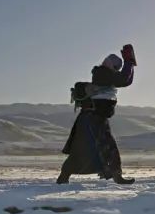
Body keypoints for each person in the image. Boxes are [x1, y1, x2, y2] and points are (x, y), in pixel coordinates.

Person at [56, 44, 137, 185]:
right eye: (114, 65)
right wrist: (129, 62)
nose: (115, 68)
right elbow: (125, 79)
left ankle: (116, 176)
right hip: (91, 119)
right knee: (89, 148)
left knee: (103, 147)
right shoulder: (102, 74)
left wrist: (130, 63)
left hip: (95, 118)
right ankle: (64, 177)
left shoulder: (106, 76)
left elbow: (125, 79)